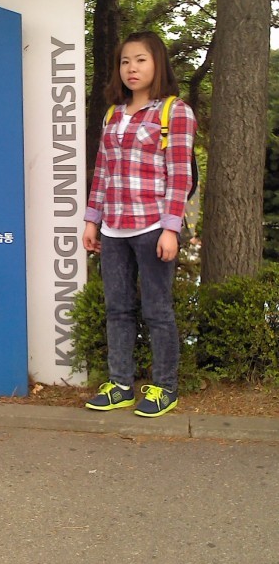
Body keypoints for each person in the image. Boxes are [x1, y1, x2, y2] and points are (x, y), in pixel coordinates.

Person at [83, 31, 197, 417]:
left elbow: (179, 175)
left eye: (141, 60)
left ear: (157, 64)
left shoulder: (174, 112)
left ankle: (165, 388)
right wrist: (92, 221)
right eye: (125, 61)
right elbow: (102, 172)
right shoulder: (113, 114)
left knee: (157, 310)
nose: (131, 68)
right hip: (113, 228)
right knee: (117, 309)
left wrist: (171, 228)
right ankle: (120, 385)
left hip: (152, 227)